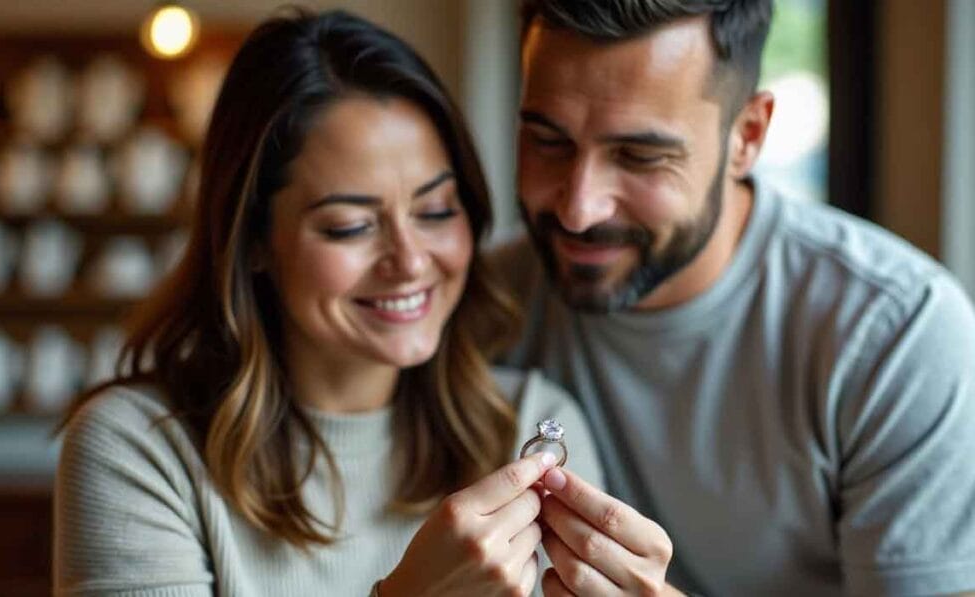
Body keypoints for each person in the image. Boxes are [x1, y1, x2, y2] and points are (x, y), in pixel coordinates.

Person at [53, 8, 603, 596]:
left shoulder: (532, 426)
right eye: (349, 226)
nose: (412, 261)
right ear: (255, 241)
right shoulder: (138, 450)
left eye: (437, 211)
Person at [494, 0, 975, 595]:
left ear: (747, 136)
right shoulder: (478, 302)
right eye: (547, 141)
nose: (578, 207)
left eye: (641, 156)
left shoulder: (898, 333)